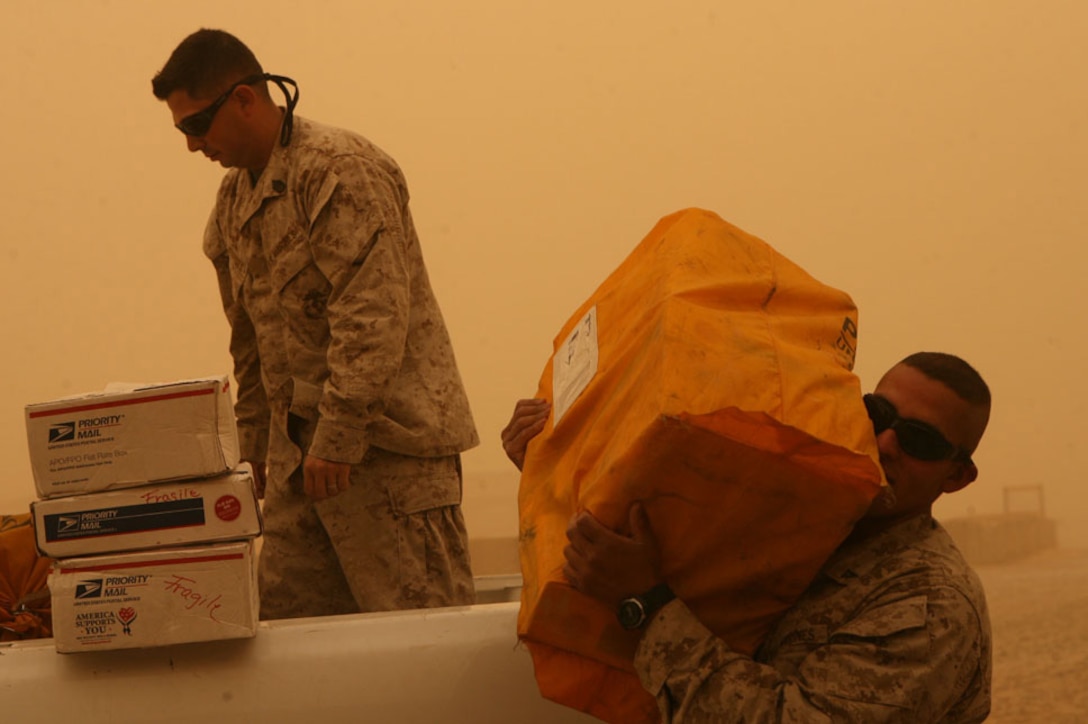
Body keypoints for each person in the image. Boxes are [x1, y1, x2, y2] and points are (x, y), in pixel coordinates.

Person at [152, 29, 478, 619]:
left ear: (245, 99)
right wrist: (248, 456)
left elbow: (373, 314)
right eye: (181, 131)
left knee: (417, 653)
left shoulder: (337, 170)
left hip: (387, 459)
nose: (193, 146)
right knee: (296, 659)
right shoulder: (232, 206)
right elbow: (249, 348)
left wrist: (339, 437)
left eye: (196, 126)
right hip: (301, 471)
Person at [502, 352, 992, 722]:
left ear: (957, 477)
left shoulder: (931, 604)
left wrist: (646, 606)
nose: (887, 443)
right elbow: (649, 532)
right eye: (879, 415)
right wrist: (552, 464)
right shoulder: (793, 508)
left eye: (920, 441)